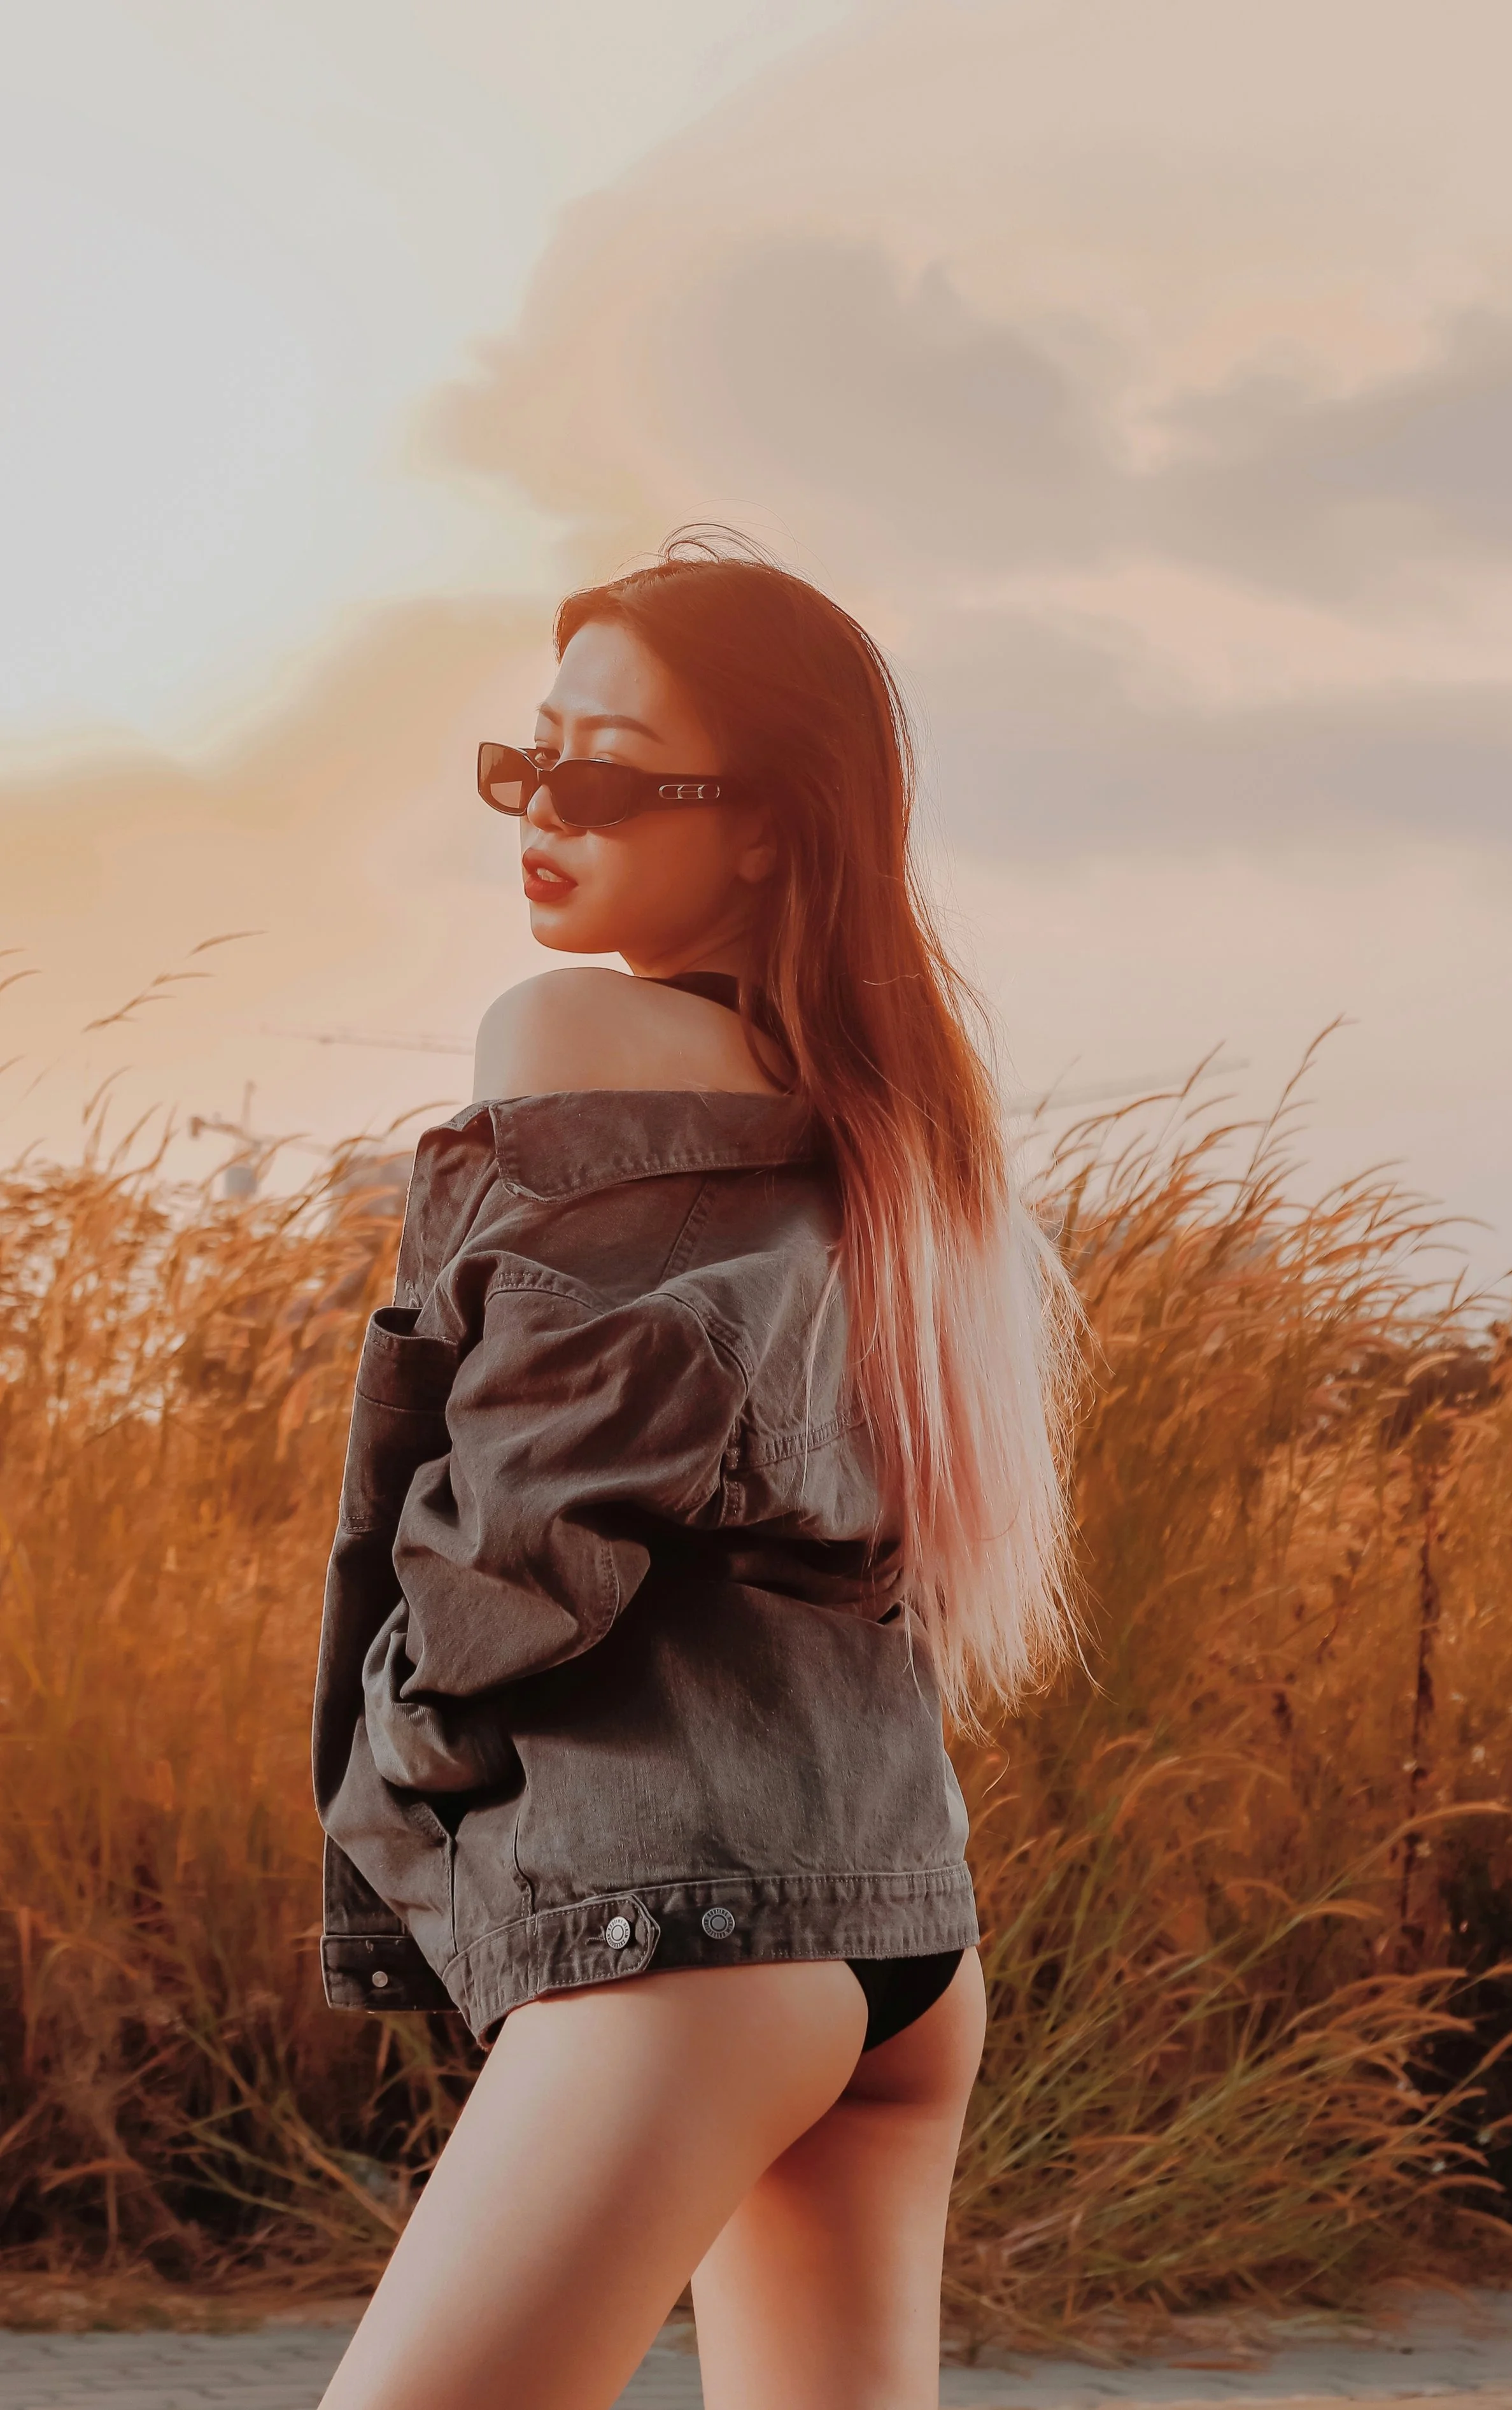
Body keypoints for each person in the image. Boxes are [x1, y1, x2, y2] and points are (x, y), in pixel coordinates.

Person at [312, 531, 1081, 2410]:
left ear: (764, 826)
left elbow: (533, 1515)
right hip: (899, 1929)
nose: (542, 809)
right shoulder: (901, 1126)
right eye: (529, 756)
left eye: (610, 772)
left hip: (684, 1933)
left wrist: (410, 1751)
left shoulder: (570, 1034)